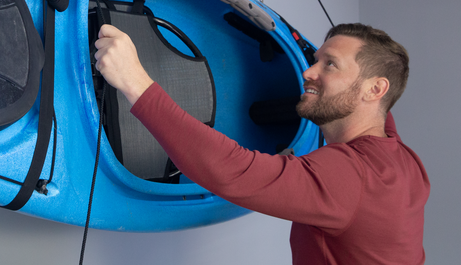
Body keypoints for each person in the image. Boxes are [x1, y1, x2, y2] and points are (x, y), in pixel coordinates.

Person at [94, 22, 430, 265]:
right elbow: (377, 115)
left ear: (375, 89)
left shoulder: (350, 176)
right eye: (316, 59)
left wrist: (134, 81)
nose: (309, 71)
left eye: (329, 64)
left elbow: (231, 172)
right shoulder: (403, 159)